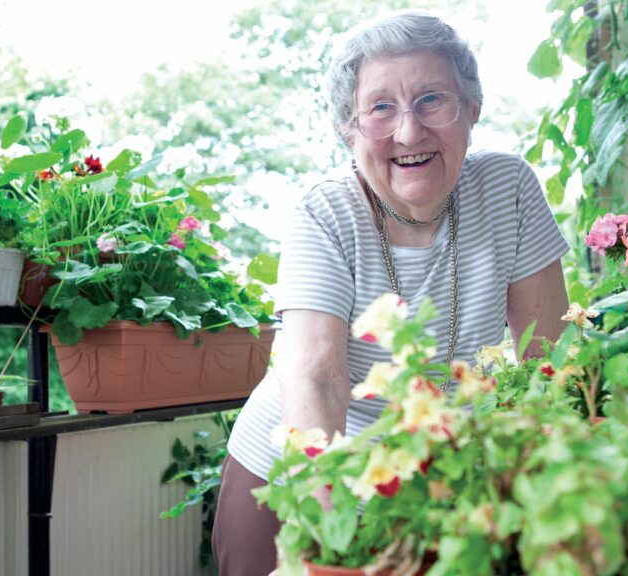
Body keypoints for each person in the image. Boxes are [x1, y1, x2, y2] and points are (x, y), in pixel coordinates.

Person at [211, 10, 570, 576]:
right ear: (348, 131)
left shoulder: (509, 190)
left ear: (472, 111)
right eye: (380, 107)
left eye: (432, 99)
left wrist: (548, 492)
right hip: (299, 471)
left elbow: (546, 359)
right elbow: (317, 375)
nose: (409, 131)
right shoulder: (324, 212)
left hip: (440, 474)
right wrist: (325, 527)